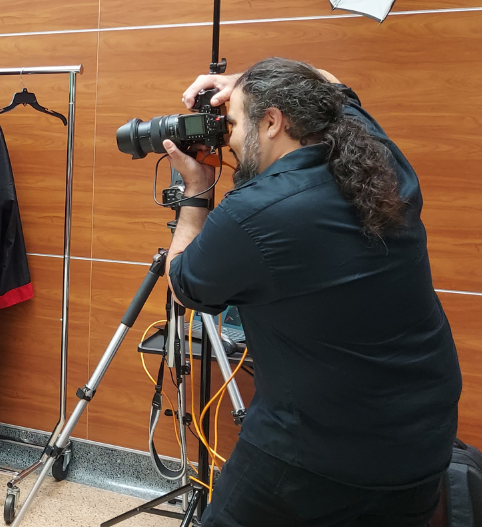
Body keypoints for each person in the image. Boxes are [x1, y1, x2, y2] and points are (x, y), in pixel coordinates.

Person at [164, 57, 461, 526]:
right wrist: (242, 83)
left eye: (236, 124)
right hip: (422, 439)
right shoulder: (381, 161)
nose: (230, 142)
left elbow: (185, 284)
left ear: (273, 121)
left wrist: (196, 192)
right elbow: (331, 84)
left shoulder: (255, 212)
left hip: (315, 452)